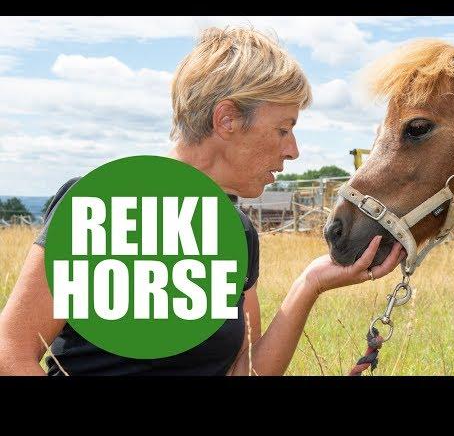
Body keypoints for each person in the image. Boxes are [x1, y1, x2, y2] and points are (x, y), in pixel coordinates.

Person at [0, 27, 404, 376]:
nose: (293, 150)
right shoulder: (101, 203)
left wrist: (309, 284)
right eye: (283, 129)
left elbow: (244, 371)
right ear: (227, 119)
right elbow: (12, 354)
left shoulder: (236, 230)